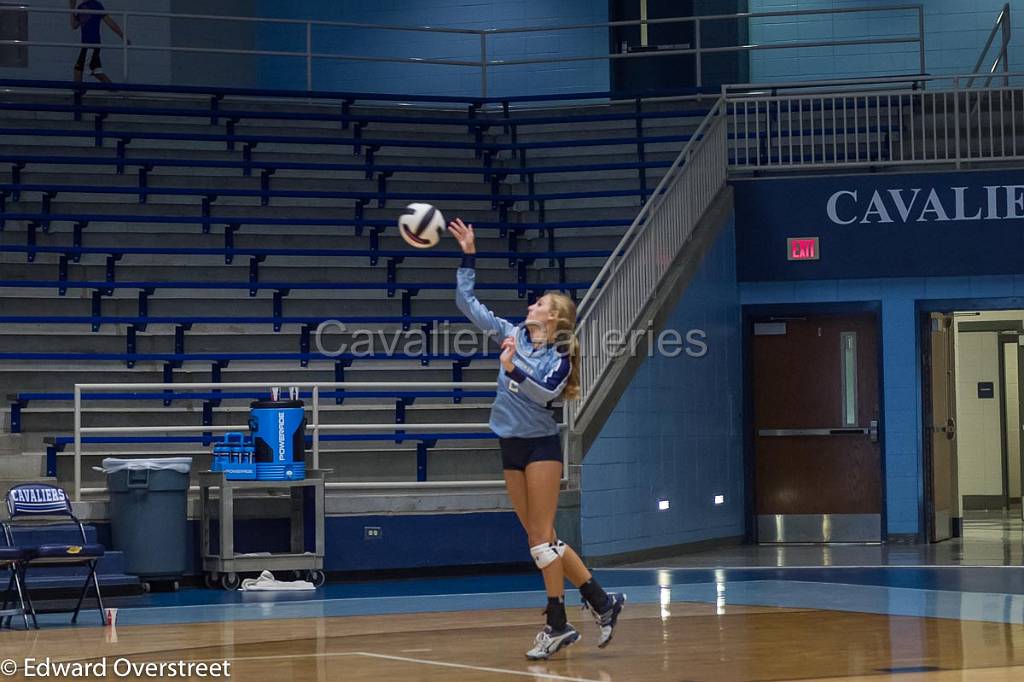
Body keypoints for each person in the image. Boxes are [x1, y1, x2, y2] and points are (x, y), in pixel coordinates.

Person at [449, 217, 626, 660]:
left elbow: (546, 390)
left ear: (554, 317)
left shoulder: (562, 353)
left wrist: (512, 369)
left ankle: (559, 621)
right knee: (539, 538)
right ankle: (599, 603)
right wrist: (468, 255)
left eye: (541, 302)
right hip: (509, 444)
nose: (532, 304)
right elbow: (466, 302)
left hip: (542, 447)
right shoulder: (511, 333)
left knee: (541, 538)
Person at [70, 0, 129, 83]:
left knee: (78, 69)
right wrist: (72, 7)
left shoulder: (96, 5)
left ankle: (78, 93)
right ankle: (116, 92)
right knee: (97, 73)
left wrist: (123, 36)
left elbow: (110, 22)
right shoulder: (81, 7)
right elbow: (74, 25)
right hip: (87, 45)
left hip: (92, 44)